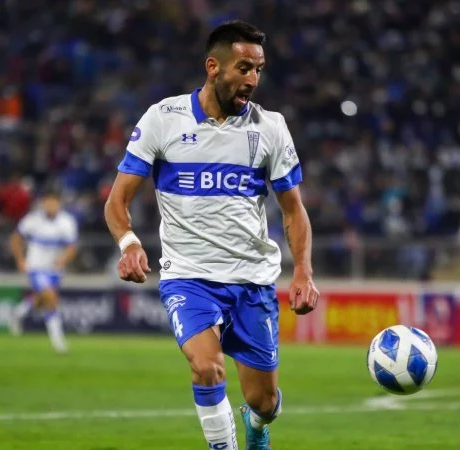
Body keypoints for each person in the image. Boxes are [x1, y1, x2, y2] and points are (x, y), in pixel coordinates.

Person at [104, 21, 319, 450]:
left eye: (259, 70)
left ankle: (257, 424)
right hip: (189, 277)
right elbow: (117, 201)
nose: (253, 80)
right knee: (206, 368)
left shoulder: (270, 128)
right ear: (213, 67)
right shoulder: (163, 119)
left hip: (252, 280)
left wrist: (303, 272)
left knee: (264, 401)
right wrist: (129, 244)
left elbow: (293, 209)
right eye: (244, 68)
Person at [8, 189, 78, 354]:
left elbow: (72, 247)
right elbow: (16, 238)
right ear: (43, 203)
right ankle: (58, 342)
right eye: (48, 202)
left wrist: (63, 259)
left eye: (54, 202)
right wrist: (20, 260)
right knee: (50, 297)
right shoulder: (32, 219)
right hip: (36, 267)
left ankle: (18, 312)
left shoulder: (67, 222)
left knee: (42, 299)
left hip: (54, 269)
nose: (50, 205)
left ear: (59, 204)